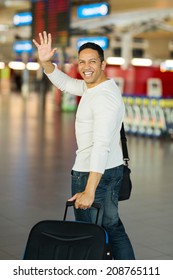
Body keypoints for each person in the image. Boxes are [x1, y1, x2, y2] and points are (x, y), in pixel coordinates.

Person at [33, 31, 135, 260]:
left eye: (92, 62)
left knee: (89, 233)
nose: (86, 67)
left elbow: (101, 145)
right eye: (81, 62)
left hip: (95, 174)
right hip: (109, 169)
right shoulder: (96, 87)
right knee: (111, 227)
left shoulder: (104, 98)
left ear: (103, 64)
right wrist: (45, 62)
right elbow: (67, 84)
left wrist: (89, 190)